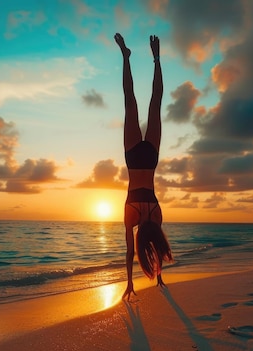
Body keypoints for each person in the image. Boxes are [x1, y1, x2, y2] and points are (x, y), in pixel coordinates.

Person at [114, 33, 173, 301]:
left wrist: (158, 274)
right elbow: (129, 253)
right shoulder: (132, 216)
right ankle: (126, 57)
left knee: (154, 103)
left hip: (150, 159)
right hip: (133, 158)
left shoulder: (157, 215)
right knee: (131, 101)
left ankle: (154, 58)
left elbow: (157, 248)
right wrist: (130, 282)